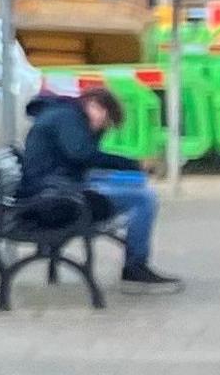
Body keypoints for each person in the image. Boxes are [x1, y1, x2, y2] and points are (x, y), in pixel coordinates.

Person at [21, 83, 177, 290]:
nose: (103, 126)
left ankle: (136, 264)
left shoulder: (64, 113)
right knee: (144, 199)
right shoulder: (68, 117)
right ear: (95, 105)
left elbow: (80, 159)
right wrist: (131, 164)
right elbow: (83, 154)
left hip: (57, 187)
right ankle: (135, 267)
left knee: (137, 186)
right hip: (54, 196)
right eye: (105, 119)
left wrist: (131, 168)